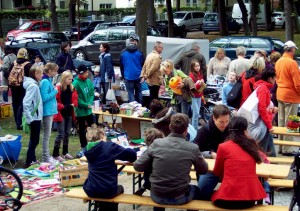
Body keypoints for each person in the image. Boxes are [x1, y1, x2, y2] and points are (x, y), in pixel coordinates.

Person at [134, 113, 208, 211]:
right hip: (179, 196)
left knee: (159, 188)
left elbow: (138, 166)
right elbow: (203, 170)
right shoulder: (193, 148)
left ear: (170, 127)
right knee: (197, 190)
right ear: (186, 130)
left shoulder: (156, 143)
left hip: (156, 195)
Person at [212, 116, 266, 209]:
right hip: (249, 199)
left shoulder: (223, 147)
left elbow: (217, 172)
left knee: (207, 194)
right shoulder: (251, 144)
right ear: (245, 130)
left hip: (227, 198)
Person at [83, 124, 137, 211]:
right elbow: (132, 156)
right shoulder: (109, 146)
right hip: (107, 189)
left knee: (104, 188)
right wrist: (125, 147)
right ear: (101, 135)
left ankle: (101, 207)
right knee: (119, 188)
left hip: (90, 188)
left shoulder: (87, 149)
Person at [194, 104, 231, 200]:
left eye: (227, 121)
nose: (225, 125)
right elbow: (194, 151)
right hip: (209, 169)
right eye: (221, 122)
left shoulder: (231, 129)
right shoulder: (204, 131)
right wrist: (210, 154)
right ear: (214, 118)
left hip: (229, 167)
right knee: (202, 192)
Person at [275, 41, 300, 156]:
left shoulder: (279, 61)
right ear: (292, 50)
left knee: (281, 121)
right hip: (291, 95)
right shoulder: (292, 63)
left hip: (280, 93)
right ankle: (288, 148)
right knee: (292, 122)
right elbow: (297, 83)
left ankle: (280, 146)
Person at [248, 68, 277, 156]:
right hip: (263, 123)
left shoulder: (262, 87)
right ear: (269, 78)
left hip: (263, 122)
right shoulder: (263, 88)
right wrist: (269, 125)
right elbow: (262, 108)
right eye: (274, 77)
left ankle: (274, 165)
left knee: (270, 150)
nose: (275, 80)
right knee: (263, 152)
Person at [52, 71, 78, 161]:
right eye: (69, 79)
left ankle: (65, 152)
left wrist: (73, 104)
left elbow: (75, 99)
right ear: (64, 78)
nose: (71, 81)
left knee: (67, 133)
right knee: (61, 134)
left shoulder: (71, 88)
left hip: (69, 112)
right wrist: (64, 106)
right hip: (61, 113)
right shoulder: (58, 88)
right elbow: (55, 102)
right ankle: (55, 154)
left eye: (71, 79)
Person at [23, 65, 43, 168]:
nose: (42, 75)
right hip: (34, 117)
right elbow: (26, 102)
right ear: (35, 74)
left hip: (36, 116)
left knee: (35, 139)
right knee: (34, 140)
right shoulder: (33, 86)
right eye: (40, 73)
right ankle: (29, 161)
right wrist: (29, 118)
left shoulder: (35, 84)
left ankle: (33, 159)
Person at [134, 128, 164, 196]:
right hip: (166, 181)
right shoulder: (166, 150)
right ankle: (144, 186)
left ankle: (145, 186)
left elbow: (138, 167)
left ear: (148, 140)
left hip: (152, 182)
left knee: (149, 169)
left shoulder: (149, 151)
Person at [72, 64, 94, 154]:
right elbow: (76, 98)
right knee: (82, 130)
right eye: (83, 73)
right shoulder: (75, 83)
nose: (85, 74)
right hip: (80, 111)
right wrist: (85, 105)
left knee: (92, 127)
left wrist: (90, 102)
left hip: (89, 109)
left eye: (86, 72)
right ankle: (84, 147)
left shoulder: (88, 81)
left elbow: (92, 93)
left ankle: (93, 144)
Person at [8, 48, 32, 130]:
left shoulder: (13, 63)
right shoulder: (28, 65)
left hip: (14, 87)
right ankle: (21, 122)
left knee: (15, 105)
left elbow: (7, 73)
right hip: (23, 87)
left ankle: (17, 122)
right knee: (23, 105)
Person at [40, 63, 59, 163]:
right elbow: (44, 97)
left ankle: (47, 156)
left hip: (50, 110)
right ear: (50, 71)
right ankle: (45, 157)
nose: (56, 73)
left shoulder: (49, 80)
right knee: (46, 135)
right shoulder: (45, 82)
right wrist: (55, 91)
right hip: (47, 111)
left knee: (48, 135)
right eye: (55, 71)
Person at [119, 34, 144, 103]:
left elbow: (121, 66)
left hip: (128, 76)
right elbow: (143, 64)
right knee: (139, 92)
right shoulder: (139, 52)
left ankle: (133, 108)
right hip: (138, 76)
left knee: (130, 93)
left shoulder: (123, 52)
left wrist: (123, 76)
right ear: (136, 41)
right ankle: (140, 107)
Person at [189, 59, 205, 130]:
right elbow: (193, 87)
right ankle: (195, 129)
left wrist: (202, 83)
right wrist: (199, 83)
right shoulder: (191, 75)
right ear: (193, 67)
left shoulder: (200, 74)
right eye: (196, 66)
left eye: (198, 66)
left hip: (199, 96)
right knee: (196, 114)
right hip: (193, 96)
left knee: (196, 114)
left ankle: (194, 128)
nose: (198, 67)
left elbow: (202, 87)